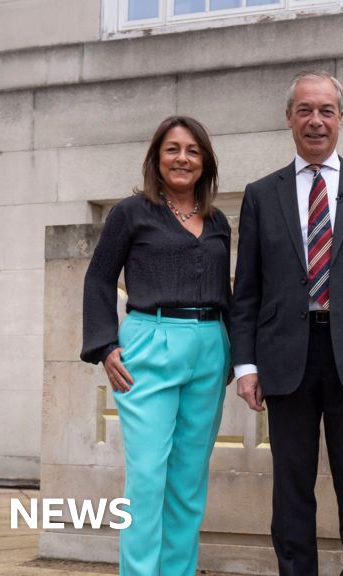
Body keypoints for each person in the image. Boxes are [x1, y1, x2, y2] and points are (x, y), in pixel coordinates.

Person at [230, 70, 343, 576]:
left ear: (341, 118)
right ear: (289, 118)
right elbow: (247, 290)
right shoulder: (261, 194)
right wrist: (245, 365)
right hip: (285, 358)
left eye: (326, 111)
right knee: (291, 489)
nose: (316, 121)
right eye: (305, 110)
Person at [80, 116, 232, 576]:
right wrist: (105, 345)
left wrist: (237, 354)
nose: (183, 158)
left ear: (205, 162)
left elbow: (229, 291)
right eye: (173, 149)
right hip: (150, 343)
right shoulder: (131, 213)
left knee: (188, 482)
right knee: (147, 478)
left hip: (210, 345)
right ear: (157, 158)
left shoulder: (218, 220)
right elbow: (99, 278)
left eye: (192, 150)